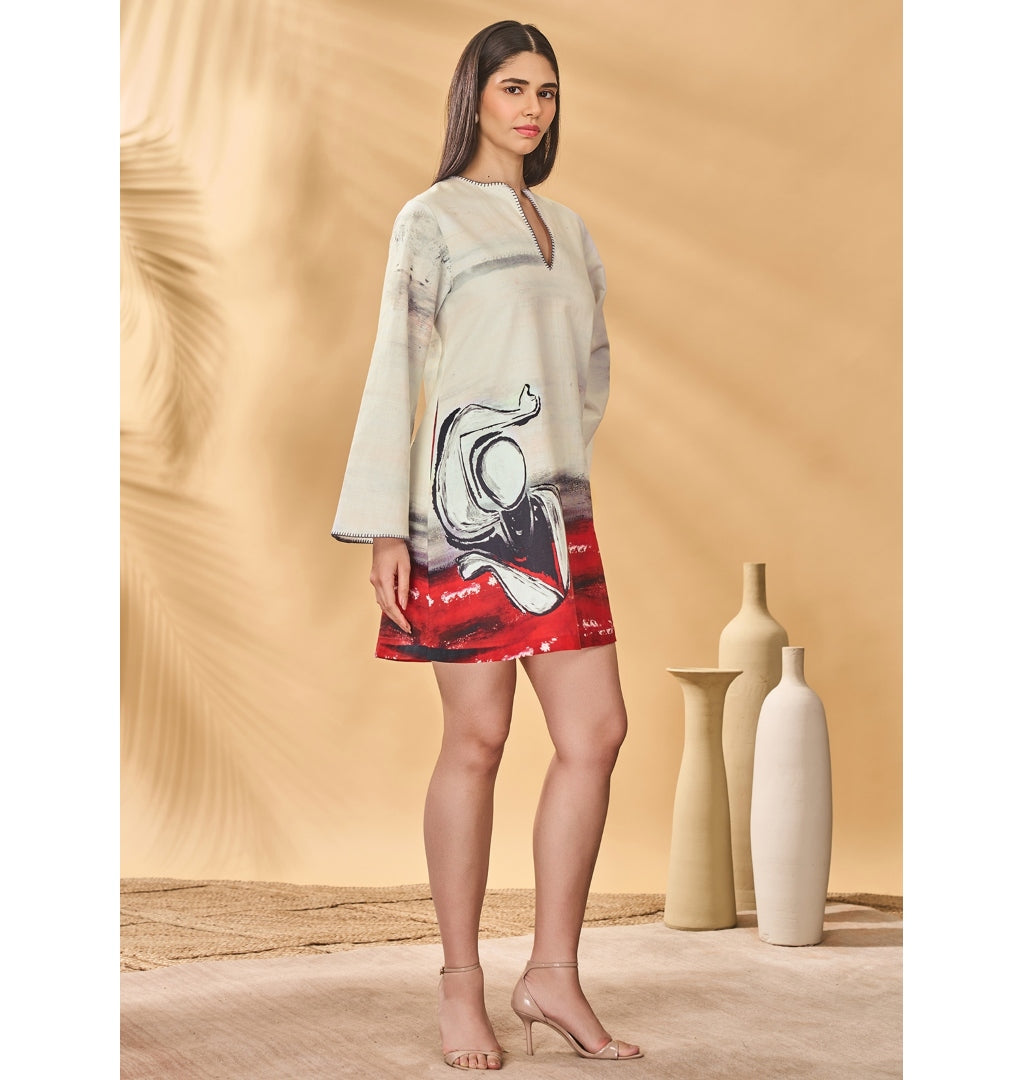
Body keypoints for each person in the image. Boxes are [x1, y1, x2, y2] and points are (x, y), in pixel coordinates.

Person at [331, 20, 642, 1071]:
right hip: (451, 521)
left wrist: (546, 460)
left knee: (595, 732)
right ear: (476, 94)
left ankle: (551, 975)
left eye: (547, 92)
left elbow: (588, 369)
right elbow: (397, 367)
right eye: (514, 87)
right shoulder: (430, 220)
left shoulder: (571, 228)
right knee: (478, 738)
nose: (533, 109)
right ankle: (460, 985)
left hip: (549, 511)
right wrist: (385, 521)